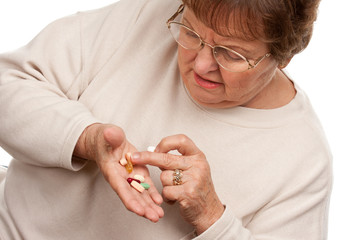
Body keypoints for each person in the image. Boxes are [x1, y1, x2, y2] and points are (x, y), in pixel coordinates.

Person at [0, 0, 332, 239]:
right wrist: (86, 139)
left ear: (284, 56)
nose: (201, 64)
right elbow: (7, 84)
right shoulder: (150, 13)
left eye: (231, 54)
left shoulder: (304, 161)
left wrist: (211, 216)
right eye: (191, 33)